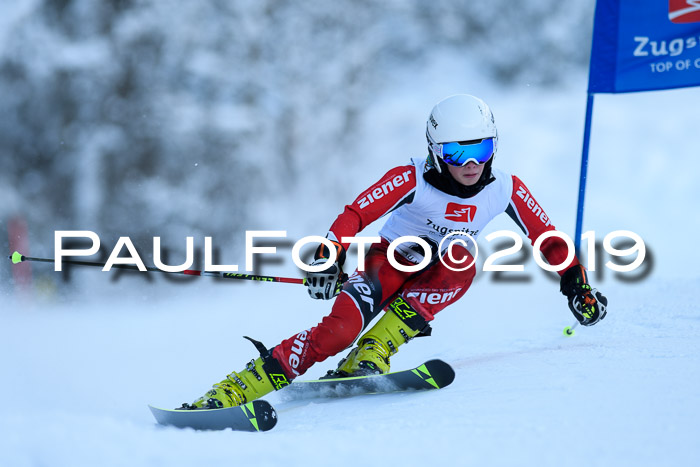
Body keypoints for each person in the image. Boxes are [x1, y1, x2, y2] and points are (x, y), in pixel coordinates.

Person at [188, 94, 608, 409]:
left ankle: (376, 350)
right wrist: (329, 255)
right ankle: (236, 389)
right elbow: (356, 213)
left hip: (440, 274)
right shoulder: (410, 179)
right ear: (435, 151)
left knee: (462, 257)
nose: (471, 163)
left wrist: (576, 283)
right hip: (385, 263)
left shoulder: (505, 190)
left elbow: (548, 238)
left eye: (481, 149)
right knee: (336, 334)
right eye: (457, 152)